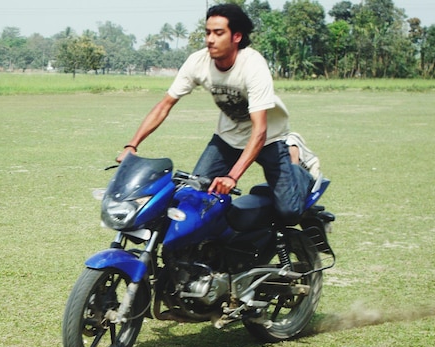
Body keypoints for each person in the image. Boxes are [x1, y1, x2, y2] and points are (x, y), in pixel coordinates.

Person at [117, 3, 314, 225]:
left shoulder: (253, 66)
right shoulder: (198, 62)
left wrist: (232, 176)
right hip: (227, 137)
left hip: (269, 139)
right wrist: (132, 145)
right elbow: (165, 105)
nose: (210, 39)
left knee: (289, 212)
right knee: (195, 199)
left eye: (218, 33)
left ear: (236, 36)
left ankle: (297, 162)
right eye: (208, 32)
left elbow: (260, 130)